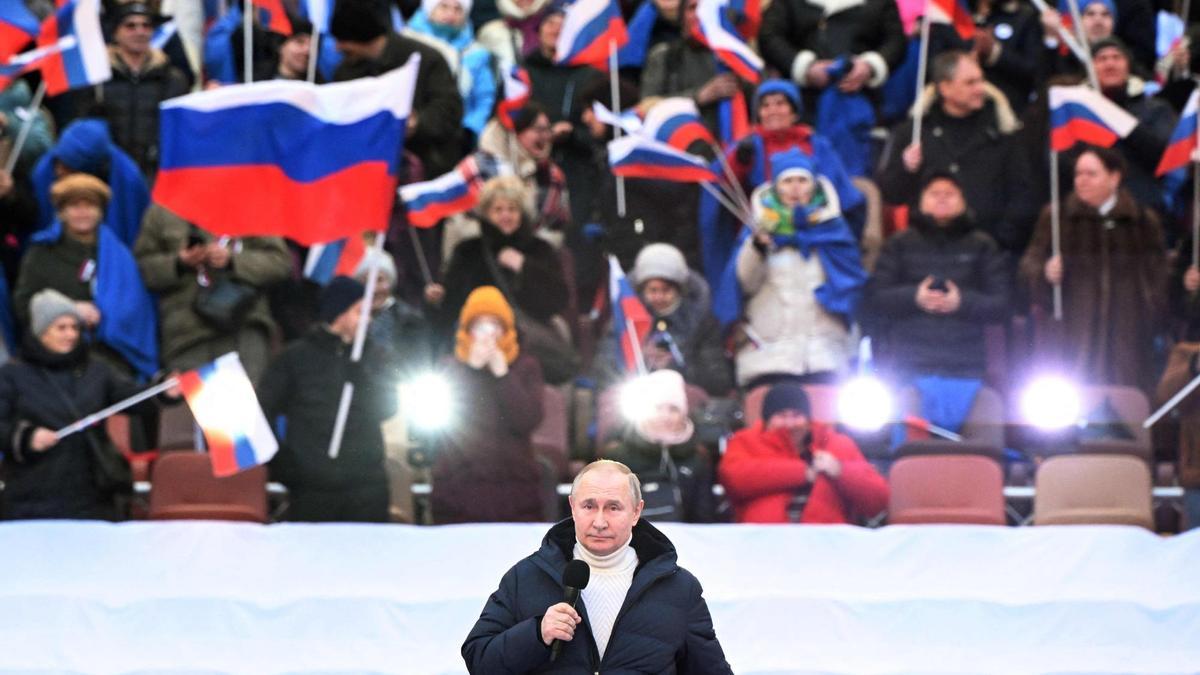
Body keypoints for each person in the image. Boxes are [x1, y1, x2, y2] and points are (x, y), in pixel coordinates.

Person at [462, 459, 733, 673]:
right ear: (572, 507)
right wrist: (536, 633)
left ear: (636, 511)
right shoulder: (526, 577)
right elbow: (479, 660)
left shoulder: (679, 588)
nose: (600, 521)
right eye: (589, 506)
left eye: (613, 507)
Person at [0, 289, 170, 520]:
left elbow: (132, 399)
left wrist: (164, 391)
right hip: (32, 494)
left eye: (75, 327)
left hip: (93, 493)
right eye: (61, 327)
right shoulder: (13, 374)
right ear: (41, 331)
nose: (70, 334)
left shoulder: (97, 369)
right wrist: (27, 437)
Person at [1019, 146, 1166, 391]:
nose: (1081, 180)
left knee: (1127, 413)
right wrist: (1044, 272)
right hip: (1070, 339)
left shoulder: (1141, 221)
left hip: (1128, 340)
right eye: (1078, 174)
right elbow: (1029, 264)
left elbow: (1159, 274)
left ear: (1114, 177)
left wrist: (1151, 308)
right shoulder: (1057, 218)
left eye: (1091, 173)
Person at [259, 276, 398, 522]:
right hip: (312, 490)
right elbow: (263, 412)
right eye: (359, 311)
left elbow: (389, 408)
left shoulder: (375, 356)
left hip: (367, 488)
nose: (367, 319)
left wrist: (364, 381)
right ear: (339, 313)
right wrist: (284, 464)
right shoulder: (295, 358)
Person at [725, 149, 866, 389]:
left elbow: (851, 288)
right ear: (776, 186)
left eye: (802, 180)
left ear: (813, 186)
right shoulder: (758, 231)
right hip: (769, 357)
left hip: (825, 356)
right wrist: (757, 249)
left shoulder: (834, 231)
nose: (795, 188)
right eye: (787, 181)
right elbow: (741, 285)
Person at [876, 50, 1038, 255]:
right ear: (945, 88)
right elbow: (892, 193)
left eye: (981, 80)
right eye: (970, 83)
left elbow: (1022, 194)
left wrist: (1001, 241)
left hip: (989, 254)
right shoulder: (914, 132)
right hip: (925, 253)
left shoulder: (1003, 131)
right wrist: (906, 168)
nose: (981, 89)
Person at [865, 173, 1011, 381]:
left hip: (967, 364)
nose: (942, 198)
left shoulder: (983, 245)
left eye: (950, 194)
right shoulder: (899, 244)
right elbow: (876, 298)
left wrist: (963, 302)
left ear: (963, 201)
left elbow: (1002, 303)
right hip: (908, 364)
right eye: (934, 193)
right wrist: (913, 297)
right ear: (921, 201)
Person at [13, 174, 158, 379]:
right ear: (62, 212)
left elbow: (136, 306)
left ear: (100, 212)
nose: (83, 213)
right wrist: (71, 309)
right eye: (74, 206)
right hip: (59, 359)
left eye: (89, 205)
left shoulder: (117, 253)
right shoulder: (41, 253)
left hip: (114, 356)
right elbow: (23, 305)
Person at [133, 204, 290, 384]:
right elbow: (142, 270)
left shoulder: (249, 200)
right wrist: (179, 262)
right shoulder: (162, 208)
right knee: (197, 411)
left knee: (245, 410)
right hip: (185, 336)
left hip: (243, 326)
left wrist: (232, 260)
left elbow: (280, 263)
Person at [430, 285, 546, 523]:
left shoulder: (526, 367)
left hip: (514, 490)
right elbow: (445, 420)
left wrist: (503, 375)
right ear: (467, 330)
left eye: (494, 325)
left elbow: (527, 420)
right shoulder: (450, 367)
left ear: (505, 329)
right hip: (458, 489)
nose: (487, 334)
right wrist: (470, 371)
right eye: (479, 326)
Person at [428, 176, 569, 363]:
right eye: (498, 210)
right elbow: (450, 309)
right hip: (472, 349)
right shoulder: (468, 251)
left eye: (512, 209)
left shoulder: (540, 250)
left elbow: (559, 300)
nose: (506, 216)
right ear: (486, 214)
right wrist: (434, 299)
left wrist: (524, 267)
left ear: (522, 213)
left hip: (528, 353)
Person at [719, 383, 889, 523]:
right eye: (781, 415)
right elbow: (733, 479)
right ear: (767, 419)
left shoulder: (838, 443)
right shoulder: (746, 441)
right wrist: (802, 472)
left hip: (827, 548)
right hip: (764, 546)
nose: (790, 423)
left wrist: (841, 471)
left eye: (797, 415)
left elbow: (878, 500)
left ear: (808, 419)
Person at [331, 0, 465, 177]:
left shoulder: (427, 60)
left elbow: (449, 112)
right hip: (366, 169)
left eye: (343, 42)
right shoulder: (346, 72)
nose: (337, 48)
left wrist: (417, 122)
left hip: (426, 166)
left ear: (362, 40)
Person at [594, 243, 732, 396]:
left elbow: (718, 380)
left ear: (680, 290)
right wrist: (640, 357)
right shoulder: (624, 321)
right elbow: (604, 370)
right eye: (653, 290)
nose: (659, 297)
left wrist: (674, 367)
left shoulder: (701, 321)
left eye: (666, 290)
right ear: (642, 290)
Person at [78, 1, 189, 177]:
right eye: (131, 26)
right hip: (109, 173)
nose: (140, 32)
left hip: (156, 173)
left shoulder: (172, 78)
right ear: (116, 33)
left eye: (146, 26)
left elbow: (180, 130)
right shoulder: (97, 78)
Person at [601, 370, 717, 522]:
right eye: (657, 408)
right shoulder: (616, 457)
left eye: (673, 409)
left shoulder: (697, 459)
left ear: (684, 415)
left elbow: (704, 518)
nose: (665, 416)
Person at [758, 0, 905, 114]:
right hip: (801, 102)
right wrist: (804, 67)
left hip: (861, 102)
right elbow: (769, 36)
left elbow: (895, 41)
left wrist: (870, 66)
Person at [30, 119, 149, 249]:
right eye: (58, 162)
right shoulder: (45, 170)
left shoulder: (129, 183)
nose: (58, 171)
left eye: (68, 167)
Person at [403, 0, 497, 144]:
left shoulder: (475, 53)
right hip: (412, 131)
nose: (451, 14)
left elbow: (484, 97)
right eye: (444, 6)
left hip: (458, 137)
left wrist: (471, 129)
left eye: (458, 9)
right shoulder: (406, 42)